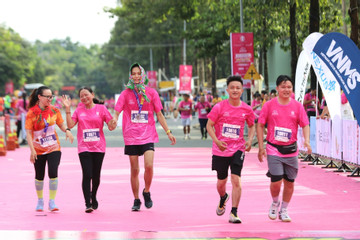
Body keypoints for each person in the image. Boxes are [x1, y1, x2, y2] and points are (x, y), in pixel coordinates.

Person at [109, 63, 176, 211]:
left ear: (143, 75)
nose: (136, 76)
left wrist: (168, 131)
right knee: (134, 170)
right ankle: (136, 199)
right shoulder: (125, 94)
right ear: (130, 76)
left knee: (149, 166)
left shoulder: (152, 93)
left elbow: (159, 114)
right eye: (133, 73)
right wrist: (114, 119)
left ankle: (146, 191)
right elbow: (117, 111)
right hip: (131, 136)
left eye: (138, 73)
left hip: (148, 134)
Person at [257, 75, 311, 222]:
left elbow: (305, 124)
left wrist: (306, 140)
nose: (286, 90)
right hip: (273, 148)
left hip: (291, 150)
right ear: (277, 89)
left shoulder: (297, 106)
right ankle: (275, 203)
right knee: (276, 181)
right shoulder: (269, 105)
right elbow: (260, 124)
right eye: (283, 87)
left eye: (289, 87)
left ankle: (284, 209)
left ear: (292, 89)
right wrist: (261, 147)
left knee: (289, 182)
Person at [206, 75, 256, 224]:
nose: (235, 90)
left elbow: (252, 125)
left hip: (238, 148)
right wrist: (217, 140)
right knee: (221, 183)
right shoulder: (219, 107)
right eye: (232, 87)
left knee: (236, 179)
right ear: (227, 90)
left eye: (238, 88)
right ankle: (223, 197)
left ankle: (234, 212)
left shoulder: (247, 109)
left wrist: (249, 140)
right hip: (220, 149)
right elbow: (209, 125)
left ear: (242, 90)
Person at [62, 87, 114, 213]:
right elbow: (70, 125)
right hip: (84, 147)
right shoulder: (79, 110)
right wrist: (68, 109)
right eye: (81, 96)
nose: (84, 98)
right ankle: (88, 203)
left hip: (99, 147)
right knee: (87, 174)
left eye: (86, 95)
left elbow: (111, 126)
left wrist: (115, 119)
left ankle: (93, 195)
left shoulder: (101, 109)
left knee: (96, 176)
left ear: (92, 94)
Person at [25, 86, 74, 212]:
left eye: (51, 96)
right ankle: (40, 200)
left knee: (53, 172)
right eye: (47, 96)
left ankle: (52, 201)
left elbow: (61, 124)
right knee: (39, 176)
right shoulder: (32, 113)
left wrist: (67, 131)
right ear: (39, 97)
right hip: (38, 149)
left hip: (54, 147)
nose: (50, 99)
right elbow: (29, 133)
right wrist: (32, 150)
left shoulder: (54, 110)